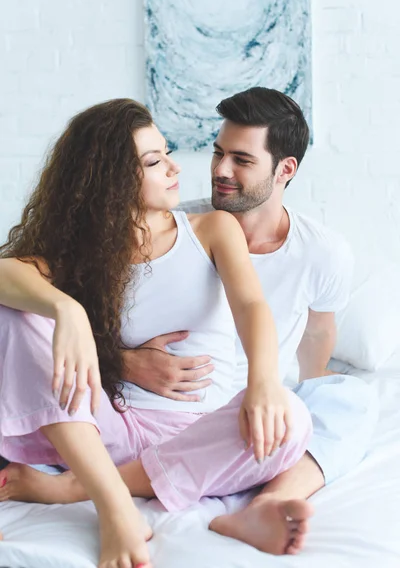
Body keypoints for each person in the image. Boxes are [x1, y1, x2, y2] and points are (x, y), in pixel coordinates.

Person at [0, 98, 313, 568]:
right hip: (105, 427)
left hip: (196, 432)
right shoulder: (80, 251)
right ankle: (115, 506)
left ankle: (74, 487)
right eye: (153, 161)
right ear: (109, 179)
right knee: (17, 313)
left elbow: (251, 306)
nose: (173, 167)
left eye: (166, 152)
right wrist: (66, 310)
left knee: (291, 419)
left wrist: (264, 383)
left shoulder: (211, 228)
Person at [117, 87, 379, 551]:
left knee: (353, 397)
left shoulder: (324, 252)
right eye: (218, 153)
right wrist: (126, 363)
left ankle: (271, 502)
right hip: (181, 407)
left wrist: (300, 393)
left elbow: (318, 338)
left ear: (285, 170)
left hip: (264, 404)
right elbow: (103, 318)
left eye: (241, 159)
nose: (219, 170)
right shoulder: (176, 225)